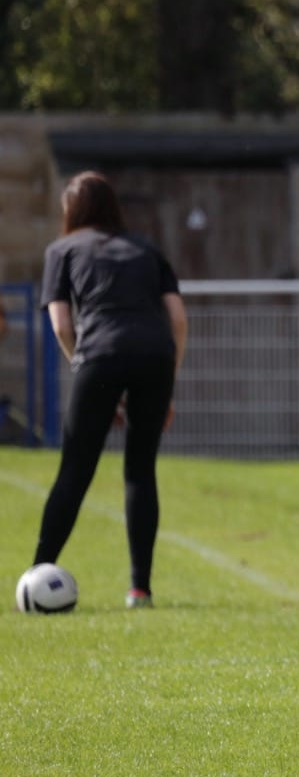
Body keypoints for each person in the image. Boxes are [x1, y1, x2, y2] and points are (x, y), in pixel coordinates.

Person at [32, 171, 186, 609]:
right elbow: (177, 319)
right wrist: (168, 380)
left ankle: (38, 571)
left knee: (75, 470)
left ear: (72, 211)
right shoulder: (145, 248)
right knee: (140, 470)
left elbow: (62, 324)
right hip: (155, 356)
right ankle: (140, 589)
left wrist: (83, 366)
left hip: (99, 354)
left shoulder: (61, 250)